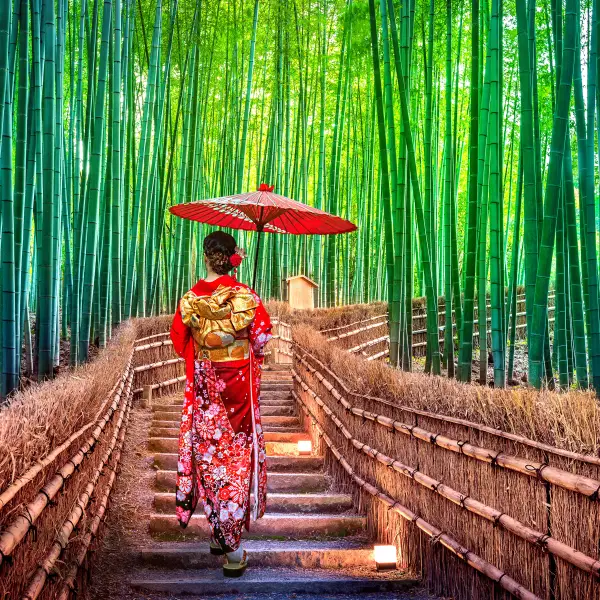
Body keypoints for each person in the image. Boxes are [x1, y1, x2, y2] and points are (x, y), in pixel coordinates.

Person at [170, 230, 272, 577]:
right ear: (233, 258)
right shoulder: (245, 295)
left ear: (205, 256)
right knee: (234, 461)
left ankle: (218, 531)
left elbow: (177, 341)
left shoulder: (190, 297)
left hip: (205, 389)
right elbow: (260, 338)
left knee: (209, 456)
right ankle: (232, 550)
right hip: (237, 391)